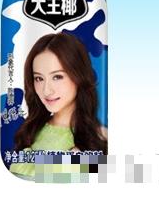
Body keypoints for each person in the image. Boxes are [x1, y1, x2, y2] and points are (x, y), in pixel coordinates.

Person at [10, 32, 107, 179]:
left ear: (79, 75)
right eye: (39, 78)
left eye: (57, 77)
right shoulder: (31, 130)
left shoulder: (101, 137)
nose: (46, 91)